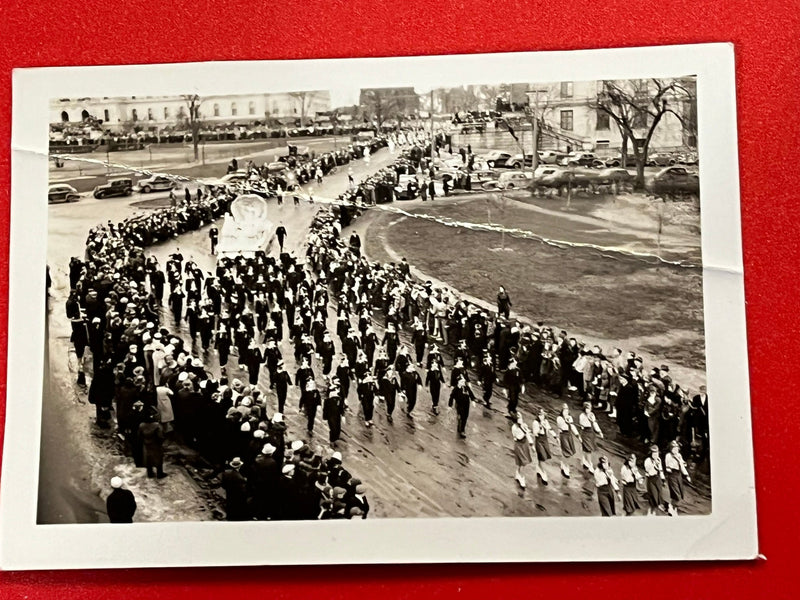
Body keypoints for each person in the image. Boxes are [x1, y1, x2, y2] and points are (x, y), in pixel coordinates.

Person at [664, 440, 691, 515]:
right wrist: (670, 468)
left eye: (677, 448)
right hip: (672, 475)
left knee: (679, 493)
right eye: (673, 448)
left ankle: (673, 508)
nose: (675, 450)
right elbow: (667, 467)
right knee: (676, 494)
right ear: (670, 449)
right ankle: (670, 507)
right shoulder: (668, 456)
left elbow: (682, 466)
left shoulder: (679, 455)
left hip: (678, 476)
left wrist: (686, 475)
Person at [138, 409, 166, 478]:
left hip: (146, 444)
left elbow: (139, 435)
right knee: (159, 459)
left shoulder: (141, 425)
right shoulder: (157, 425)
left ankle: (150, 473)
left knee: (148, 459)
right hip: (156, 444)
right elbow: (161, 436)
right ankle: (160, 474)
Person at [511, 414, 534, 488]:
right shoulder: (514, 428)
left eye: (521, 418)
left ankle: (518, 474)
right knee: (523, 461)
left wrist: (531, 445)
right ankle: (522, 477)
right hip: (519, 445)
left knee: (521, 461)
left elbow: (528, 435)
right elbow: (519, 437)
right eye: (519, 418)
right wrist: (525, 431)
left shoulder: (523, 425)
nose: (521, 419)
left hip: (524, 444)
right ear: (516, 420)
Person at [643, 445, 667, 516]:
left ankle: (655, 511)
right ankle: (650, 511)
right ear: (651, 453)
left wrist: (663, 479)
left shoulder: (659, 460)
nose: (656, 455)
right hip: (651, 479)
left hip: (658, 478)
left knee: (659, 494)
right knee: (653, 495)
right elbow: (647, 470)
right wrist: (653, 464)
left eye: (657, 453)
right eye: (654, 453)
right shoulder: (647, 460)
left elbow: (661, 470)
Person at [555, 404, 578, 478]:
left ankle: (563, 463)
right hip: (563, 435)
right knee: (567, 452)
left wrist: (577, 434)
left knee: (568, 452)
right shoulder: (559, 418)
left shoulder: (570, 417)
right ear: (562, 411)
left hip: (569, 435)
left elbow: (572, 426)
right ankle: (566, 467)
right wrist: (566, 419)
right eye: (564, 410)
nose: (566, 412)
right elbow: (561, 426)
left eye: (567, 410)